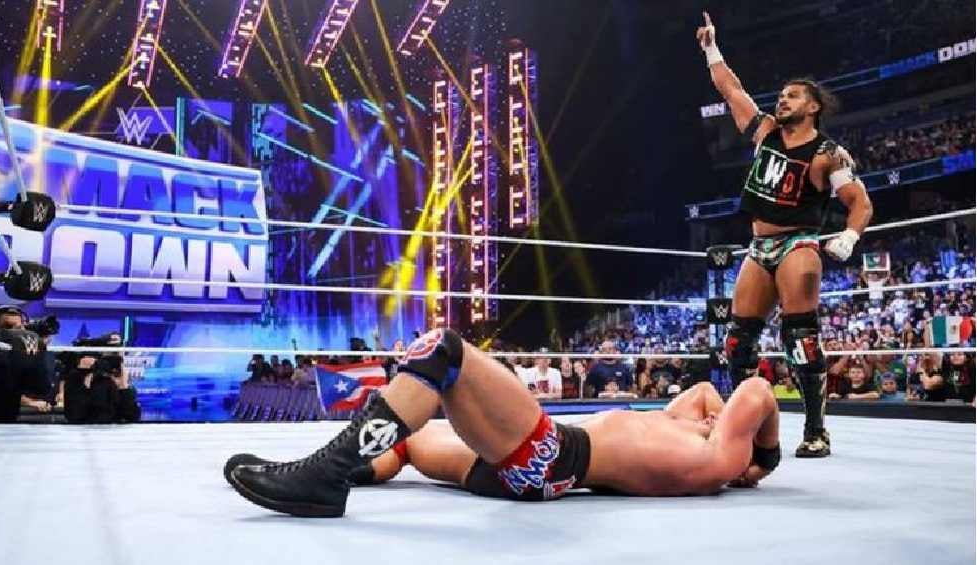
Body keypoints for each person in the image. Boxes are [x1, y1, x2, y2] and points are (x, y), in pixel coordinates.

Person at [225, 329, 781, 518]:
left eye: (730, 422)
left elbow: (756, 392)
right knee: (413, 441)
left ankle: (322, 479)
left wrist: (767, 456)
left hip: (552, 456)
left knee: (442, 351)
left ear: (742, 448)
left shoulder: (715, 460)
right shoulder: (691, 433)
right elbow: (704, 393)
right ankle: (342, 472)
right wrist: (719, 416)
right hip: (525, 468)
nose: (717, 412)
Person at [697, 12, 873, 457]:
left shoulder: (827, 154)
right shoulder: (765, 133)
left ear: (813, 107)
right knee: (737, 343)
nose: (782, 100)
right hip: (759, 247)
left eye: (792, 96)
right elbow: (731, 90)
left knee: (801, 340)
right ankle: (747, 431)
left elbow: (860, 203)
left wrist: (849, 236)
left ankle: (816, 430)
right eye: (781, 95)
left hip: (799, 243)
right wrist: (712, 48)